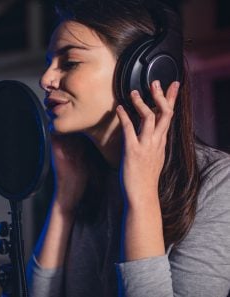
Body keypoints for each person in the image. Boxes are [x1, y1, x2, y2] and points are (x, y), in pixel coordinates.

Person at [26, 0, 230, 296]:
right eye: (48, 64)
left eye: (69, 62)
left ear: (143, 74)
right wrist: (64, 201)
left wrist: (142, 195)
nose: (46, 79)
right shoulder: (87, 177)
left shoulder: (218, 181)